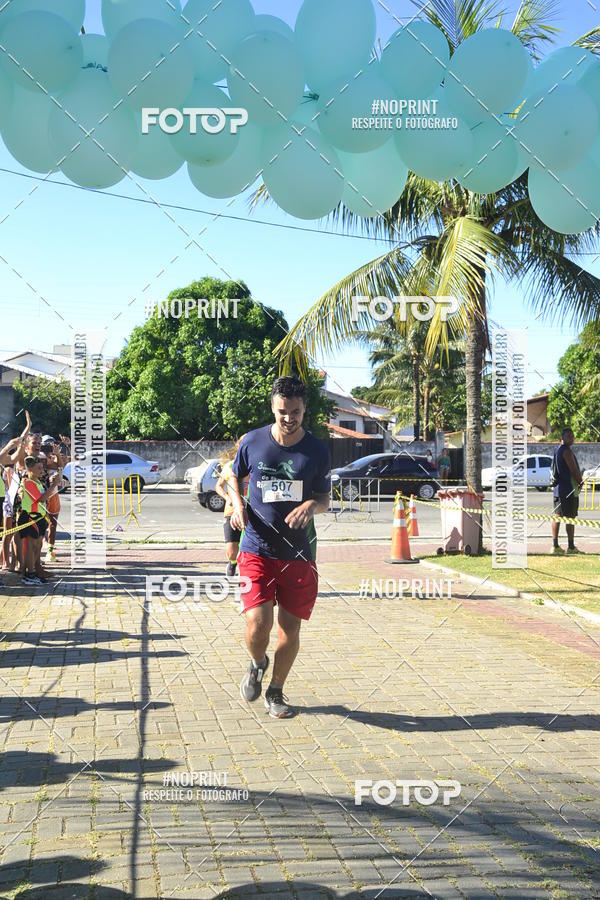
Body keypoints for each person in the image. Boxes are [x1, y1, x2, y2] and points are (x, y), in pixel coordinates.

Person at [230, 376, 331, 719]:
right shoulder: (253, 441)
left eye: (296, 412)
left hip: (298, 555)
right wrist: (238, 502)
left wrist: (310, 507)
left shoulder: (317, 450)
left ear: (305, 410)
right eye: (283, 412)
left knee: (290, 629)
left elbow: (324, 499)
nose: (289, 419)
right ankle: (257, 663)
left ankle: (276, 691)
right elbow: (231, 475)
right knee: (258, 624)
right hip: (256, 548)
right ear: (273, 407)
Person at [17, 456, 60, 585]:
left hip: (39, 517)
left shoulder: (38, 482)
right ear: (30, 469)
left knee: (38, 546)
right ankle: (29, 574)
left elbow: (44, 498)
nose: (42, 471)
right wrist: (53, 485)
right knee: (31, 546)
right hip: (31, 517)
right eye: (39, 468)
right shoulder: (27, 482)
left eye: (42, 468)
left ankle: (33, 571)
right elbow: (41, 499)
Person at [214, 436, 247, 578]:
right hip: (232, 510)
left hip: (252, 511)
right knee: (232, 549)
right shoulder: (230, 466)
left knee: (248, 546)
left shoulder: (259, 465)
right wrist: (228, 498)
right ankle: (232, 562)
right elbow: (218, 486)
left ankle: (246, 570)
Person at [552, 427, 583, 555]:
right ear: (562, 437)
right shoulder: (566, 451)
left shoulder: (558, 450)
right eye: (569, 435)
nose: (572, 437)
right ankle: (570, 546)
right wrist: (581, 481)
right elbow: (574, 470)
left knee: (557, 517)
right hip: (569, 489)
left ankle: (555, 546)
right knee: (570, 517)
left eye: (572, 435)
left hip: (558, 490)